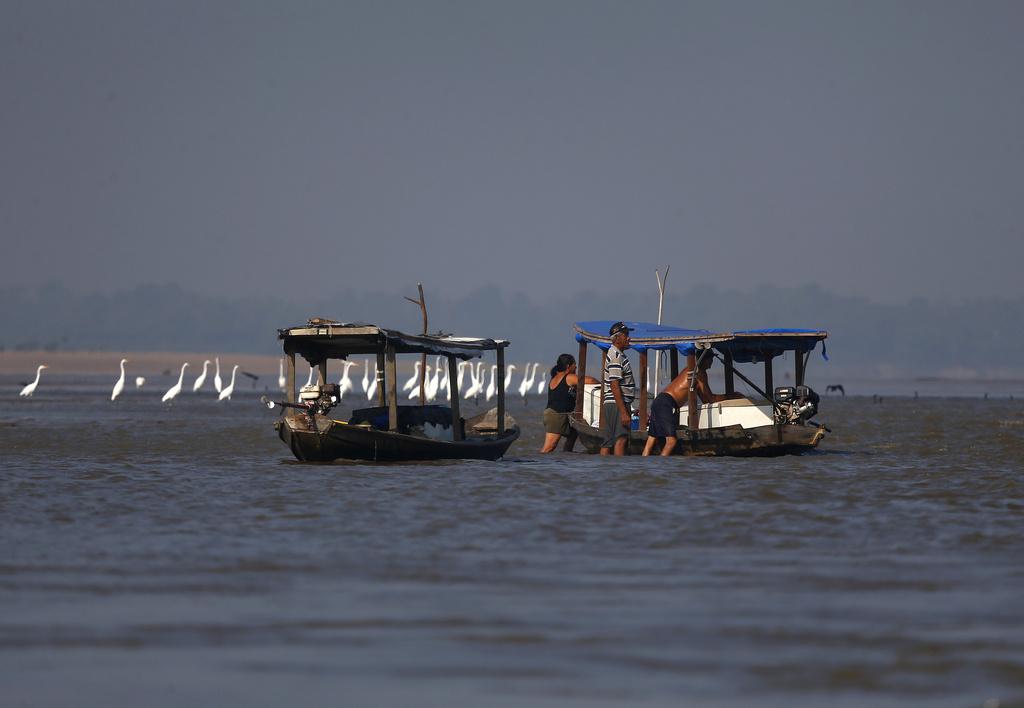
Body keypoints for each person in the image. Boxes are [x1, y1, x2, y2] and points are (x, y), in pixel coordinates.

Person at [642, 351, 745, 456]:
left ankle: (643, 465)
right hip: (666, 403)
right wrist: (731, 396)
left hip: (660, 400)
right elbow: (710, 399)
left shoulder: (691, 369)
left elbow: (705, 398)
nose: (711, 363)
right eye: (710, 360)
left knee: (651, 439)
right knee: (671, 441)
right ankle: (663, 468)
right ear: (704, 360)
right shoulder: (699, 373)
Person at [539, 353, 599, 453]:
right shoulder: (568, 377)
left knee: (572, 436)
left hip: (566, 415)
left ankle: (567, 460)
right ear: (568, 366)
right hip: (556, 415)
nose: (576, 367)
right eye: (574, 364)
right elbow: (590, 380)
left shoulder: (556, 376)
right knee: (549, 447)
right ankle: (538, 465)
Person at [600, 322, 636, 456]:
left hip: (613, 403)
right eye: (626, 335)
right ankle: (620, 472)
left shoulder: (615, 354)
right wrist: (624, 412)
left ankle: (607, 471)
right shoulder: (616, 356)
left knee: (608, 441)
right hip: (616, 404)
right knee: (621, 439)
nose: (629, 338)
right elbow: (614, 384)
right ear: (618, 337)